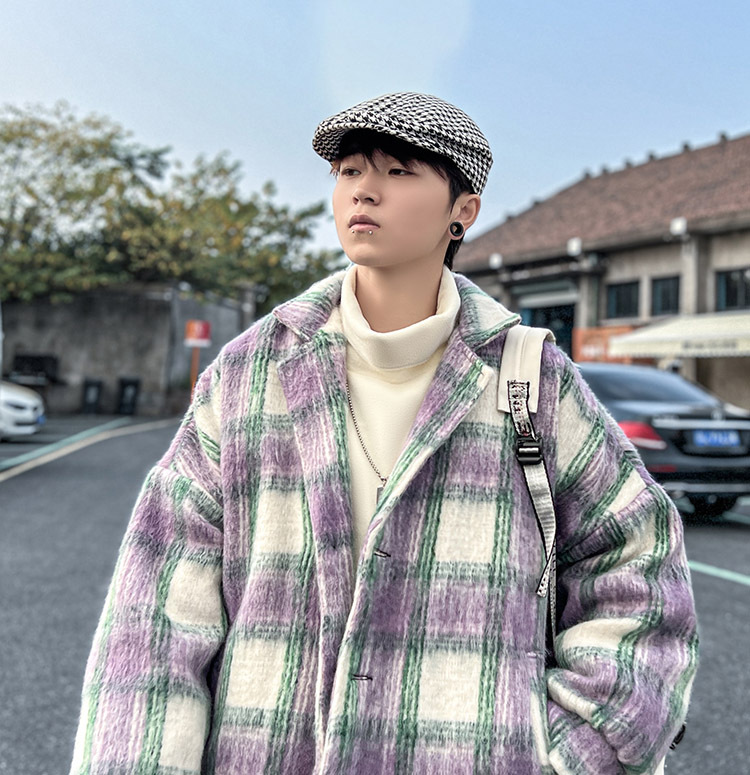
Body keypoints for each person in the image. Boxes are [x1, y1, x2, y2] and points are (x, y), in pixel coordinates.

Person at [69, 92, 698, 775]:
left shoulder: (531, 378)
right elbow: (156, 614)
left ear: (464, 211)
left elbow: (638, 562)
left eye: (398, 172)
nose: (364, 190)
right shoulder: (251, 373)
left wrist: (568, 754)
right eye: (349, 171)